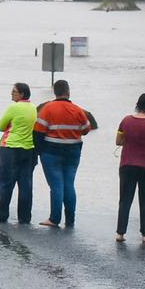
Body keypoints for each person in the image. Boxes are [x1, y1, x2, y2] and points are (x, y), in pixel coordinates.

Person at [34, 79, 92, 228]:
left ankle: (54, 219)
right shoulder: (78, 110)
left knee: (56, 185)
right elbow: (86, 129)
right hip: (73, 151)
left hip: (51, 152)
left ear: (55, 91)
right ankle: (70, 219)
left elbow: (38, 132)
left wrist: (39, 151)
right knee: (69, 184)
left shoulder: (47, 109)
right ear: (68, 92)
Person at [116, 93, 145, 243]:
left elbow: (118, 141)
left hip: (127, 164)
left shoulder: (126, 121)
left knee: (125, 199)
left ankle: (120, 233)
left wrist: (130, 142)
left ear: (137, 104)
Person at [0, 82, 37, 224]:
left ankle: (2, 215)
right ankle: (25, 217)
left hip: (10, 148)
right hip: (28, 148)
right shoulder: (33, 108)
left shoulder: (14, 107)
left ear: (22, 94)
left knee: (6, 183)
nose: (11, 94)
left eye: (14, 91)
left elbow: (1, 126)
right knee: (25, 183)